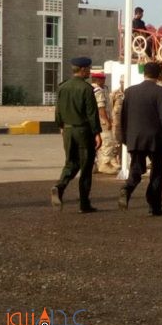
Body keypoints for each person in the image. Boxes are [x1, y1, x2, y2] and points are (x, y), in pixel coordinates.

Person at [118, 62, 162, 216]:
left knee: (136, 167)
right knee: (157, 171)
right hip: (155, 138)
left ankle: (127, 188)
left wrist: (125, 137)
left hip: (134, 137)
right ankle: (154, 205)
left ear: (144, 73)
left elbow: (123, 116)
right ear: (159, 74)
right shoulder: (161, 92)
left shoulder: (130, 91)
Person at [51, 57, 103, 213]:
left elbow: (58, 111)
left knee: (71, 162)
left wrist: (61, 126)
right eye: (88, 69)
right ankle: (84, 204)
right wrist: (97, 133)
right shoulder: (86, 89)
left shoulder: (63, 87)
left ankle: (59, 187)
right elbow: (92, 113)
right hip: (83, 131)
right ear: (83, 69)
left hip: (67, 130)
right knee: (86, 167)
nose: (90, 71)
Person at [91, 70, 118, 174]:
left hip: (100, 120)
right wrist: (107, 121)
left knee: (99, 143)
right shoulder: (97, 90)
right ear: (96, 79)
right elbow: (101, 108)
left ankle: (99, 164)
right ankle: (105, 164)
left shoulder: (104, 89)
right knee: (107, 141)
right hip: (101, 121)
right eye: (102, 78)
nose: (104, 80)